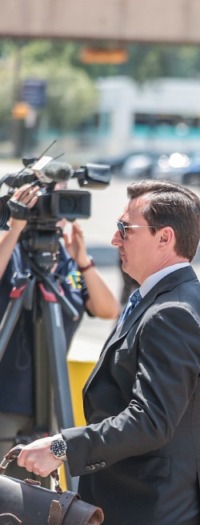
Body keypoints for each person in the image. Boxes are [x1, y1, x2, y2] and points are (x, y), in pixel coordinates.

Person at [16, 180, 200, 525]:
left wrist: (62, 447)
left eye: (125, 228)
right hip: (140, 510)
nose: (114, 239)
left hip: (154, 519)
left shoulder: (173, 310)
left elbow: (150, 420)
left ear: (165, 238)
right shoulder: (159, 299)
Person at [0, 183, 119, 460]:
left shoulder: (65, 258)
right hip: (4, 400)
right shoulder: (10, 248)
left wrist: (82, 259)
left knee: (36, 496)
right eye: (48, 194)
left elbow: (107, 309)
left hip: (51, 401)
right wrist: (15, 226)